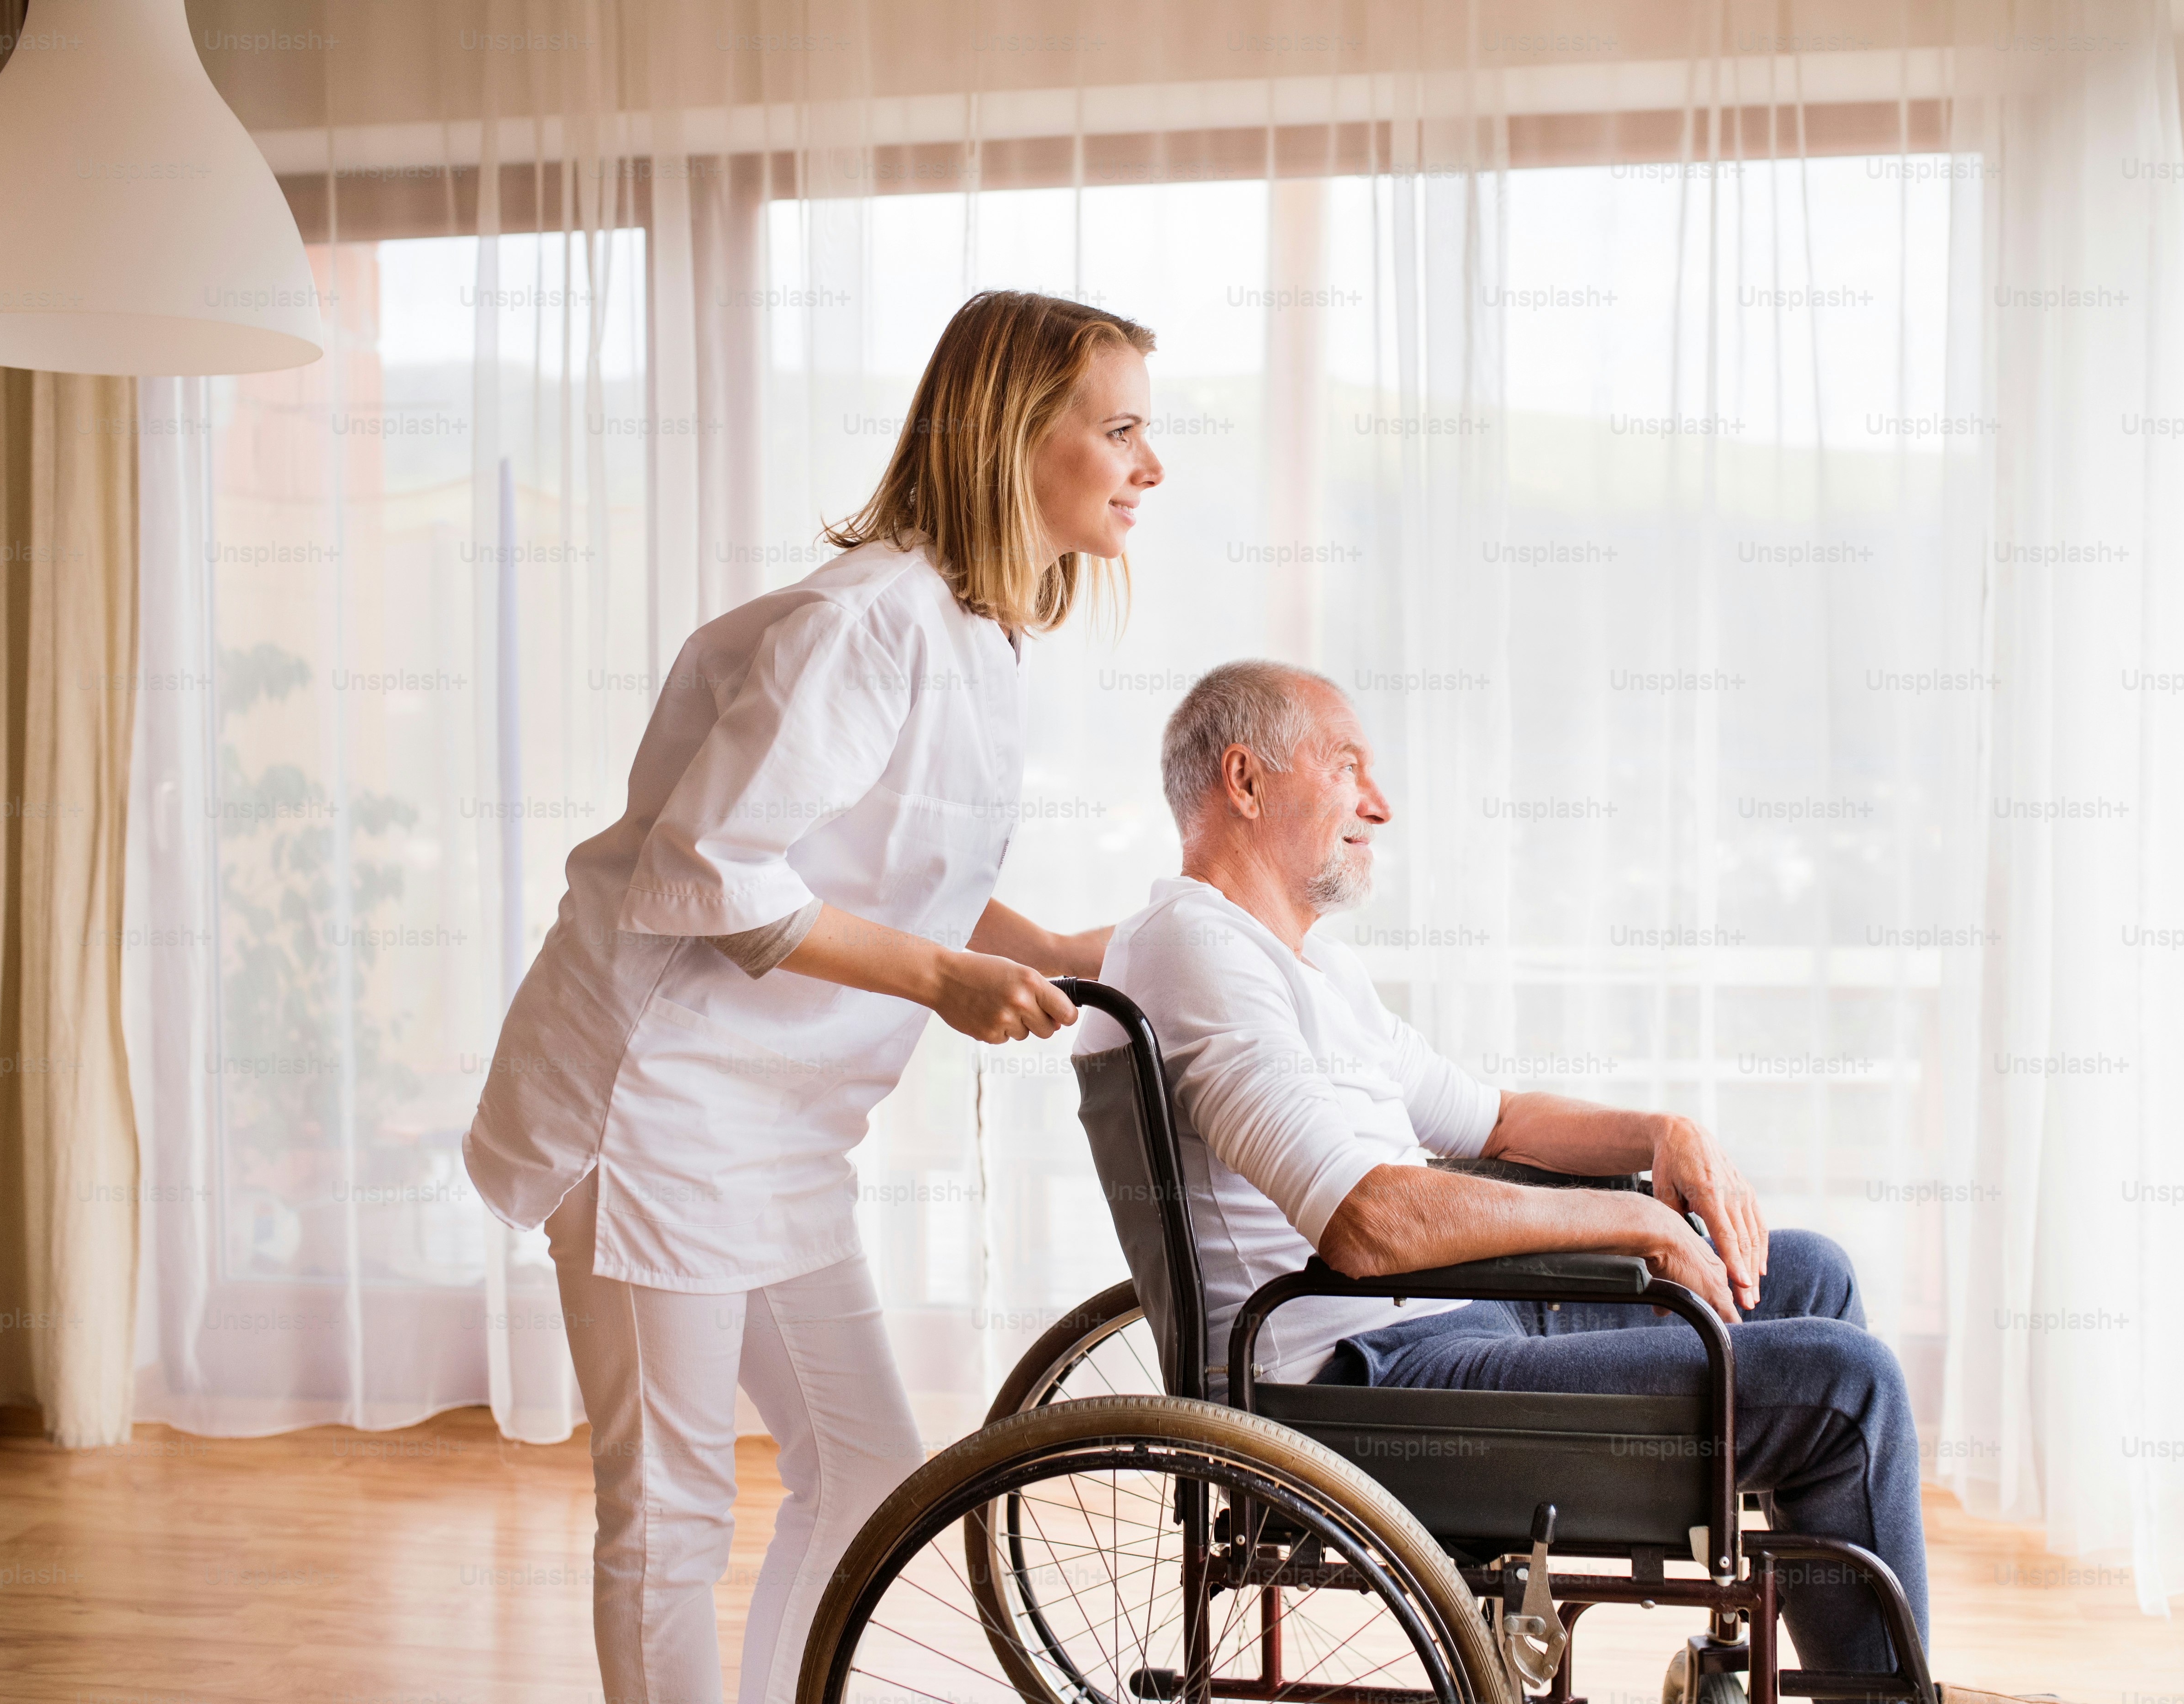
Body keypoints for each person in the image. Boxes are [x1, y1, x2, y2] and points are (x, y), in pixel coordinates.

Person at [1072, 659, 2054, 1704]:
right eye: (1348, 765)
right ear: (1246, 780)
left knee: (1803, 1275)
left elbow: (1491, 1116)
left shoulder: (1302, 964)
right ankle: (1889, 1696)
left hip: (1438, 1322)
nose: (1380, 803)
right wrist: (1634, 1220)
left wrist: (1664, 1135)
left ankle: (1855, 1677)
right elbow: (1366, 1219)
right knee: (1845, 1389)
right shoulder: (1200, 951)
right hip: (1361, 1388)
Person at [464, 290, 1164, 1704]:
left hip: (775, 1129)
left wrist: (1085, 957)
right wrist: (942, 983)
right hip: (658, 1109)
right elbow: (708, 873)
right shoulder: (866, 624)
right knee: (669, 1511)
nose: (1150, 467)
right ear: (1016, 433)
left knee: (866, 1474)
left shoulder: (980, 633)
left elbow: (907, 871)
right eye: (1124, 428)